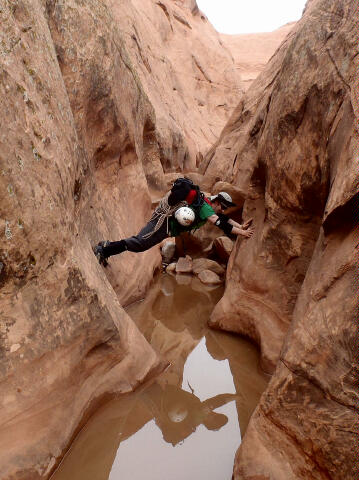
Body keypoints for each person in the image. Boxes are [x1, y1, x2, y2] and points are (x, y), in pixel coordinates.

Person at [93, 179, 254, 266]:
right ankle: (103, 249)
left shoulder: (207, 200)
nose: (223, 211)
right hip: (163, 221)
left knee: (140, 244)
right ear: (217, 203)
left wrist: (241, 226)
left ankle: (106, 248)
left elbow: (225, 219)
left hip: (167, 227)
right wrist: (243, 233)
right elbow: (221, 224)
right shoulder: (206, 207)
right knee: (139, 243)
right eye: (223, 208)